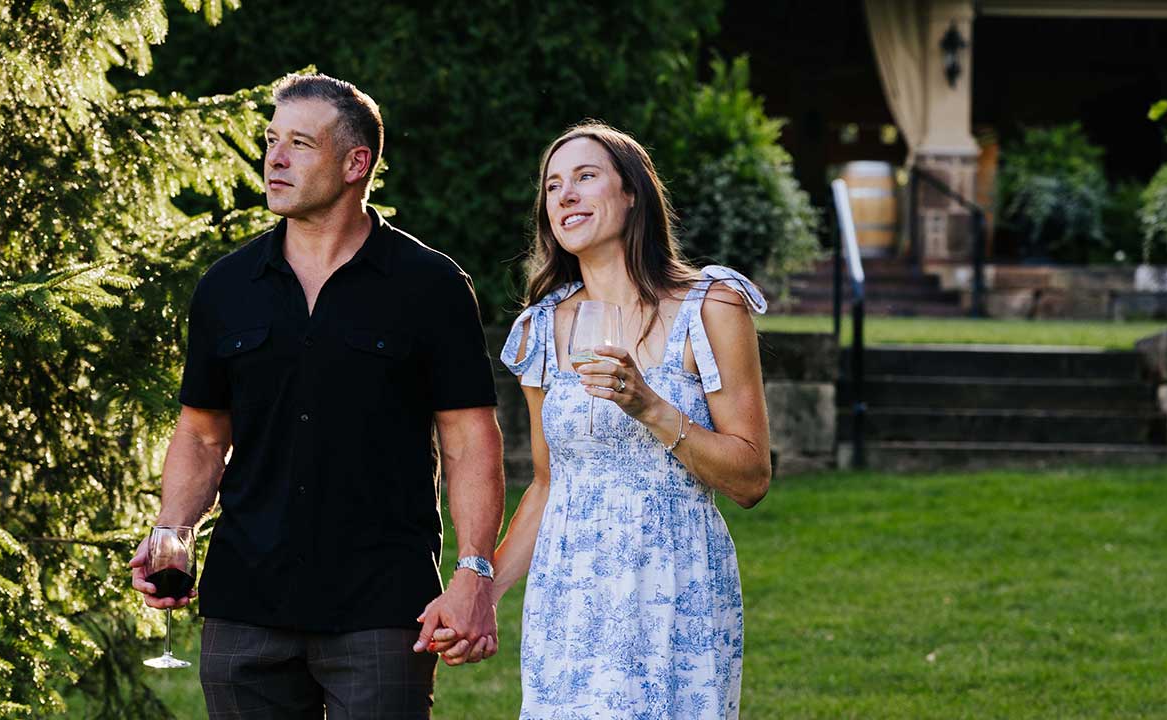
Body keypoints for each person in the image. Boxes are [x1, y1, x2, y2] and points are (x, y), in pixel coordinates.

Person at [129, 72, 505, 719]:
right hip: (245, 604)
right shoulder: (226, 287)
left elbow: (471, 439)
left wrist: (474, 571)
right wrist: (173, 530)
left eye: (299, 144)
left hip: (382, 607)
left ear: (356, 163)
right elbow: (202, 432)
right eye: (272, 140)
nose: (274, 158)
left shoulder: (431, 286)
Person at [438, 122, 772, 717]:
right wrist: (482, 591)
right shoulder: (542, 328)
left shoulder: (711, 307)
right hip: (570, 590)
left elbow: (751, 477)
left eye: (585, 177)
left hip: (674, 581)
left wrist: (650, 407)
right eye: (552, 186)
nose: (564, 194)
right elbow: (547, 483)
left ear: (632, 192)